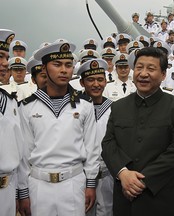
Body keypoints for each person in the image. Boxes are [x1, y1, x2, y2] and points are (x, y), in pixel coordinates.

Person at [101, 47, 174, 216]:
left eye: (151, 69)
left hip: (162, 199)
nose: (143, 74)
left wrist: (141, 181)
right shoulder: (119, 107)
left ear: (164, 74)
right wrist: (123, 173)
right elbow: (108, 144)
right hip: (125, 197)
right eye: (139, 67)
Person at [18, 41, 100, 216]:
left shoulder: (85, 105)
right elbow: (24, 153)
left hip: (74, 182)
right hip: (39, 185)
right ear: (44, 69)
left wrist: (91, 183)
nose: (64, 70)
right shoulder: (26, 107)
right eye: (57, 64)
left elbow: (92, 148)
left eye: (68, 65)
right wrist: (23, 192)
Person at [77, 59, 114, 216]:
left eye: (100, 79)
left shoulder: (115, 109)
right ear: (82, 83)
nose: (96, 84)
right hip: (80, 178)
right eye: (90, 80)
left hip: (107, 176)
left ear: (106, 81)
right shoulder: (74, 108)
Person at [0, 28, 24, 216]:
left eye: (6, 57)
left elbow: (19, 151)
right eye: (0, 56)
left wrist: (18, 193)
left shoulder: (9, 102)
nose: (5, 63)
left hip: (7, 191)